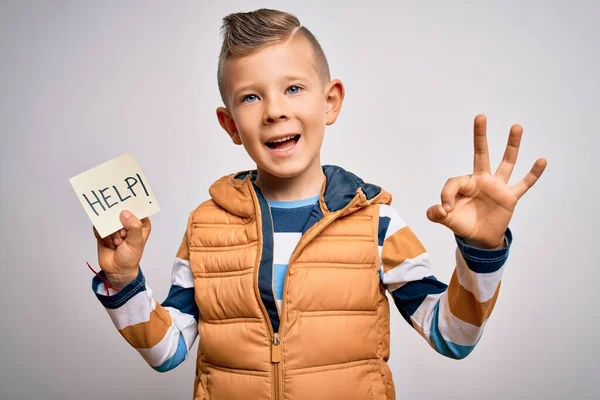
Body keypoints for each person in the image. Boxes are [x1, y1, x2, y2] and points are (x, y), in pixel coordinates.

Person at [91, 8, 547, 400]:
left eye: (293, 89)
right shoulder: (207, 226)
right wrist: (123, 280)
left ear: (330, 102)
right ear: (230, 125)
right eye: (251, 97)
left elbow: (453, 337)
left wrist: (483, 252)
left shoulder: (375, 221)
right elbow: (167, 353)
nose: (274, 111)